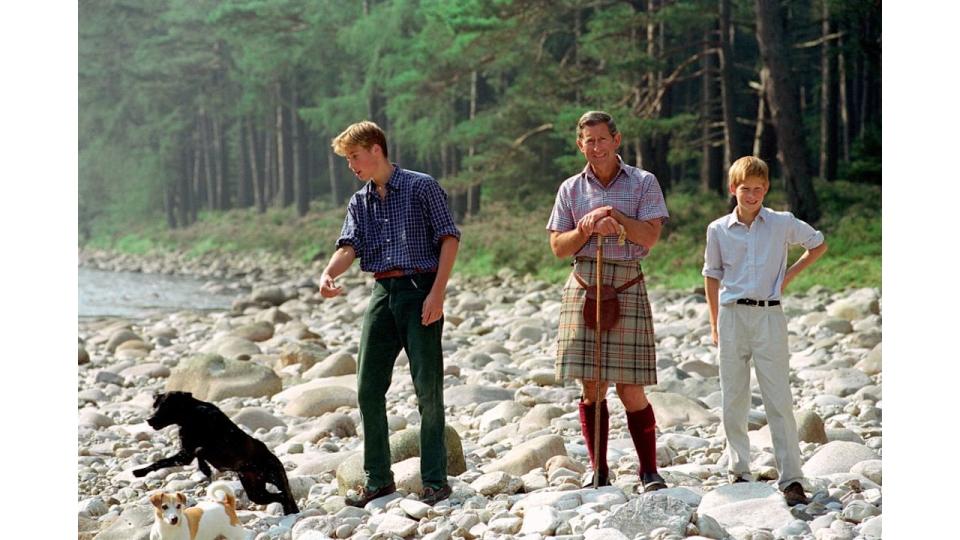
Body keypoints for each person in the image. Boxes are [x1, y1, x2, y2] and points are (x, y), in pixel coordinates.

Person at [318, 121, 460, 507]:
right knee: (367, 388)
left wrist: (438, 293)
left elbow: (449, 237)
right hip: (383, 292)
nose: (351, 165)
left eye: (354, 157)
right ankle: (378, 479)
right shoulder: (359, 201)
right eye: (348, 159)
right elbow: (348, 246)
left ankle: (435, 480)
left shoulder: (421, 186)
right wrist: (330, 272)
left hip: (421, 290)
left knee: (427, 390)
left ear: (375, 149)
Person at [547, 110, 670, 493]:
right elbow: (557, 247)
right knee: (592, 385)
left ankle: (649, 471)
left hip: (627, 281)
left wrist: (613, 215)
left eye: (602, 140)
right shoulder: (570, 189)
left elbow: (649, 238)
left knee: (630, 387)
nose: (596, 148)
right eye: (589, 141)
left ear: (617, 140)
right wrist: (586, 226)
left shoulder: (643, 182)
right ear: (579, 144)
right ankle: (598, 470)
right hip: (584, 283)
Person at [702, 155, 827, 506]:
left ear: (766, 189)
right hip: (731, 316)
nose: (752, 195)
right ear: (733, 189)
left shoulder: (782, 222)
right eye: (745, 189)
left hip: (770, 316)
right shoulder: (718, 229)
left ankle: (792, 478)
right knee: (733, 397)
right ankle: (740, 470)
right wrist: (713, 322)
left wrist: (786, 277)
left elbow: (817, 244)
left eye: (758, 189)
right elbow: (711, 275)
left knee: (779, 399)